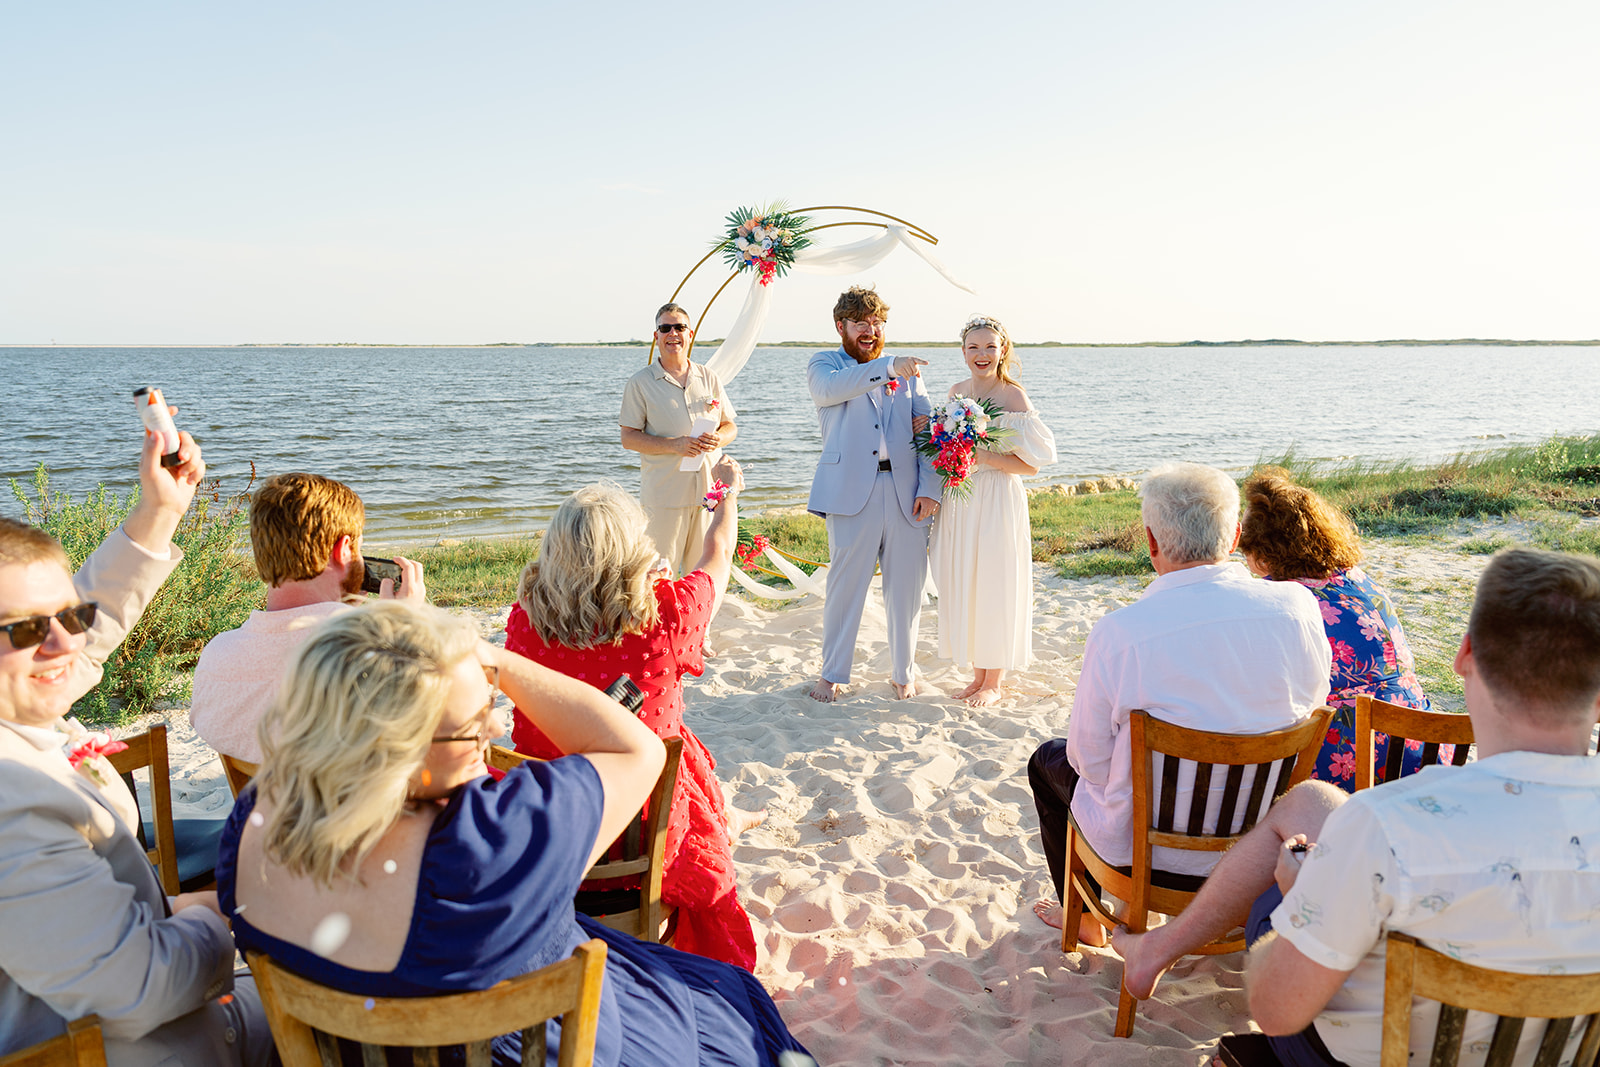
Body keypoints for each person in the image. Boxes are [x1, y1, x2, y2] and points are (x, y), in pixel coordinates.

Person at [217, 600, 811, 1067]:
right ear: (399, 753)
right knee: (728, 999)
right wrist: (494, 659)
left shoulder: (255, 822)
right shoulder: (494, 840)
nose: (496, 730)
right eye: (476, 728)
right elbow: (636, 747)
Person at [1113, 547, 1600, 1067]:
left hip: (1370, 1057)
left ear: (1466, 654)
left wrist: (1303, 897)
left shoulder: (1384, 825)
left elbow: (1275, 1013)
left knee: (1277, 903)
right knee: (1313, 802)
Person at [0, 427, 274, 1066]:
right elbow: (143, 991)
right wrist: (214, 915)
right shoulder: (11, 800)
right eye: (26, 630)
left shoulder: (22, 706)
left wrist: (159, 514)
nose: (66, 645)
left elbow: (79, 637)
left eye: (68, 615)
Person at [1027, 462, 1332, 946]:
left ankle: (1086, 919)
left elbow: (1090, 763)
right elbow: (1311, 706)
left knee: (1049, 761)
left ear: (1150, 542)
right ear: (1234, 538)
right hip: (1255, 844)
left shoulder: (1121, 633)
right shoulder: (1297, 607)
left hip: (1149, 857)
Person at [504, 457, 763, 971]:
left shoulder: (525, 624)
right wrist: (726, 496)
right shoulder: (668, 611)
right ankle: (731, 818)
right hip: (648, 836)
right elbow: (718, 555)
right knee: (679, 750)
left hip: (555, 838)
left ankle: (733, 816)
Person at [190, 471, 426, 762]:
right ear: (342, 550)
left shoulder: (216, 655)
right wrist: (404, 626)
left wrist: (342, 615)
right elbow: (422, 731)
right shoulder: (367, 652)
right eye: (359, 549)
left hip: (257, 806)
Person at [1239, 467, 1435, 788]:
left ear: (1262, 552)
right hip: (1418, 744)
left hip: (1355, 755)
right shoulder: (1357, 579)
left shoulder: (1284, 599)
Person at [806, 285, 940, 703]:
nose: (870, 329)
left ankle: (903, 674)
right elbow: (834, 389)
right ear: (841, 326)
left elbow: (931, 433)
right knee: (845, 588)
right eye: (861, 322)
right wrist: (889, 366)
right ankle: (832, 675)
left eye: (877, 322)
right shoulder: (824, 364)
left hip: (906, 494)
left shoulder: (907, 372)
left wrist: (931, 488)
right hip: (850, 494)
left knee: (906, 589)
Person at [928, 315, 1057, 707]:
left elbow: (1032, 465)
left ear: (1003, 350)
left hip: (998, 496)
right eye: (973, 347)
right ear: (963, 352)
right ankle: (977, 675)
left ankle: (994, 681)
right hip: (962, 499)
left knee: (995, 581)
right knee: (966, 578)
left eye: (989, 347)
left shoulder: (1014, 397)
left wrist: (984, 456)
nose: (981, 354)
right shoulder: (956, 393)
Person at [619, 302, 739, 577]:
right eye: (665, 328)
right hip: (665, 495)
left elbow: (730, 425)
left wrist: (719, 438)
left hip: (709, 493)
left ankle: (698, 621)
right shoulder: (640, 383)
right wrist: (675, 445)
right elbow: (628, 438)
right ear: (656, 336)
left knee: (704, 571)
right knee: (658, 573)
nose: (673, 333)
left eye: (679, 327)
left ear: (690, 333)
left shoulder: (709, 377)